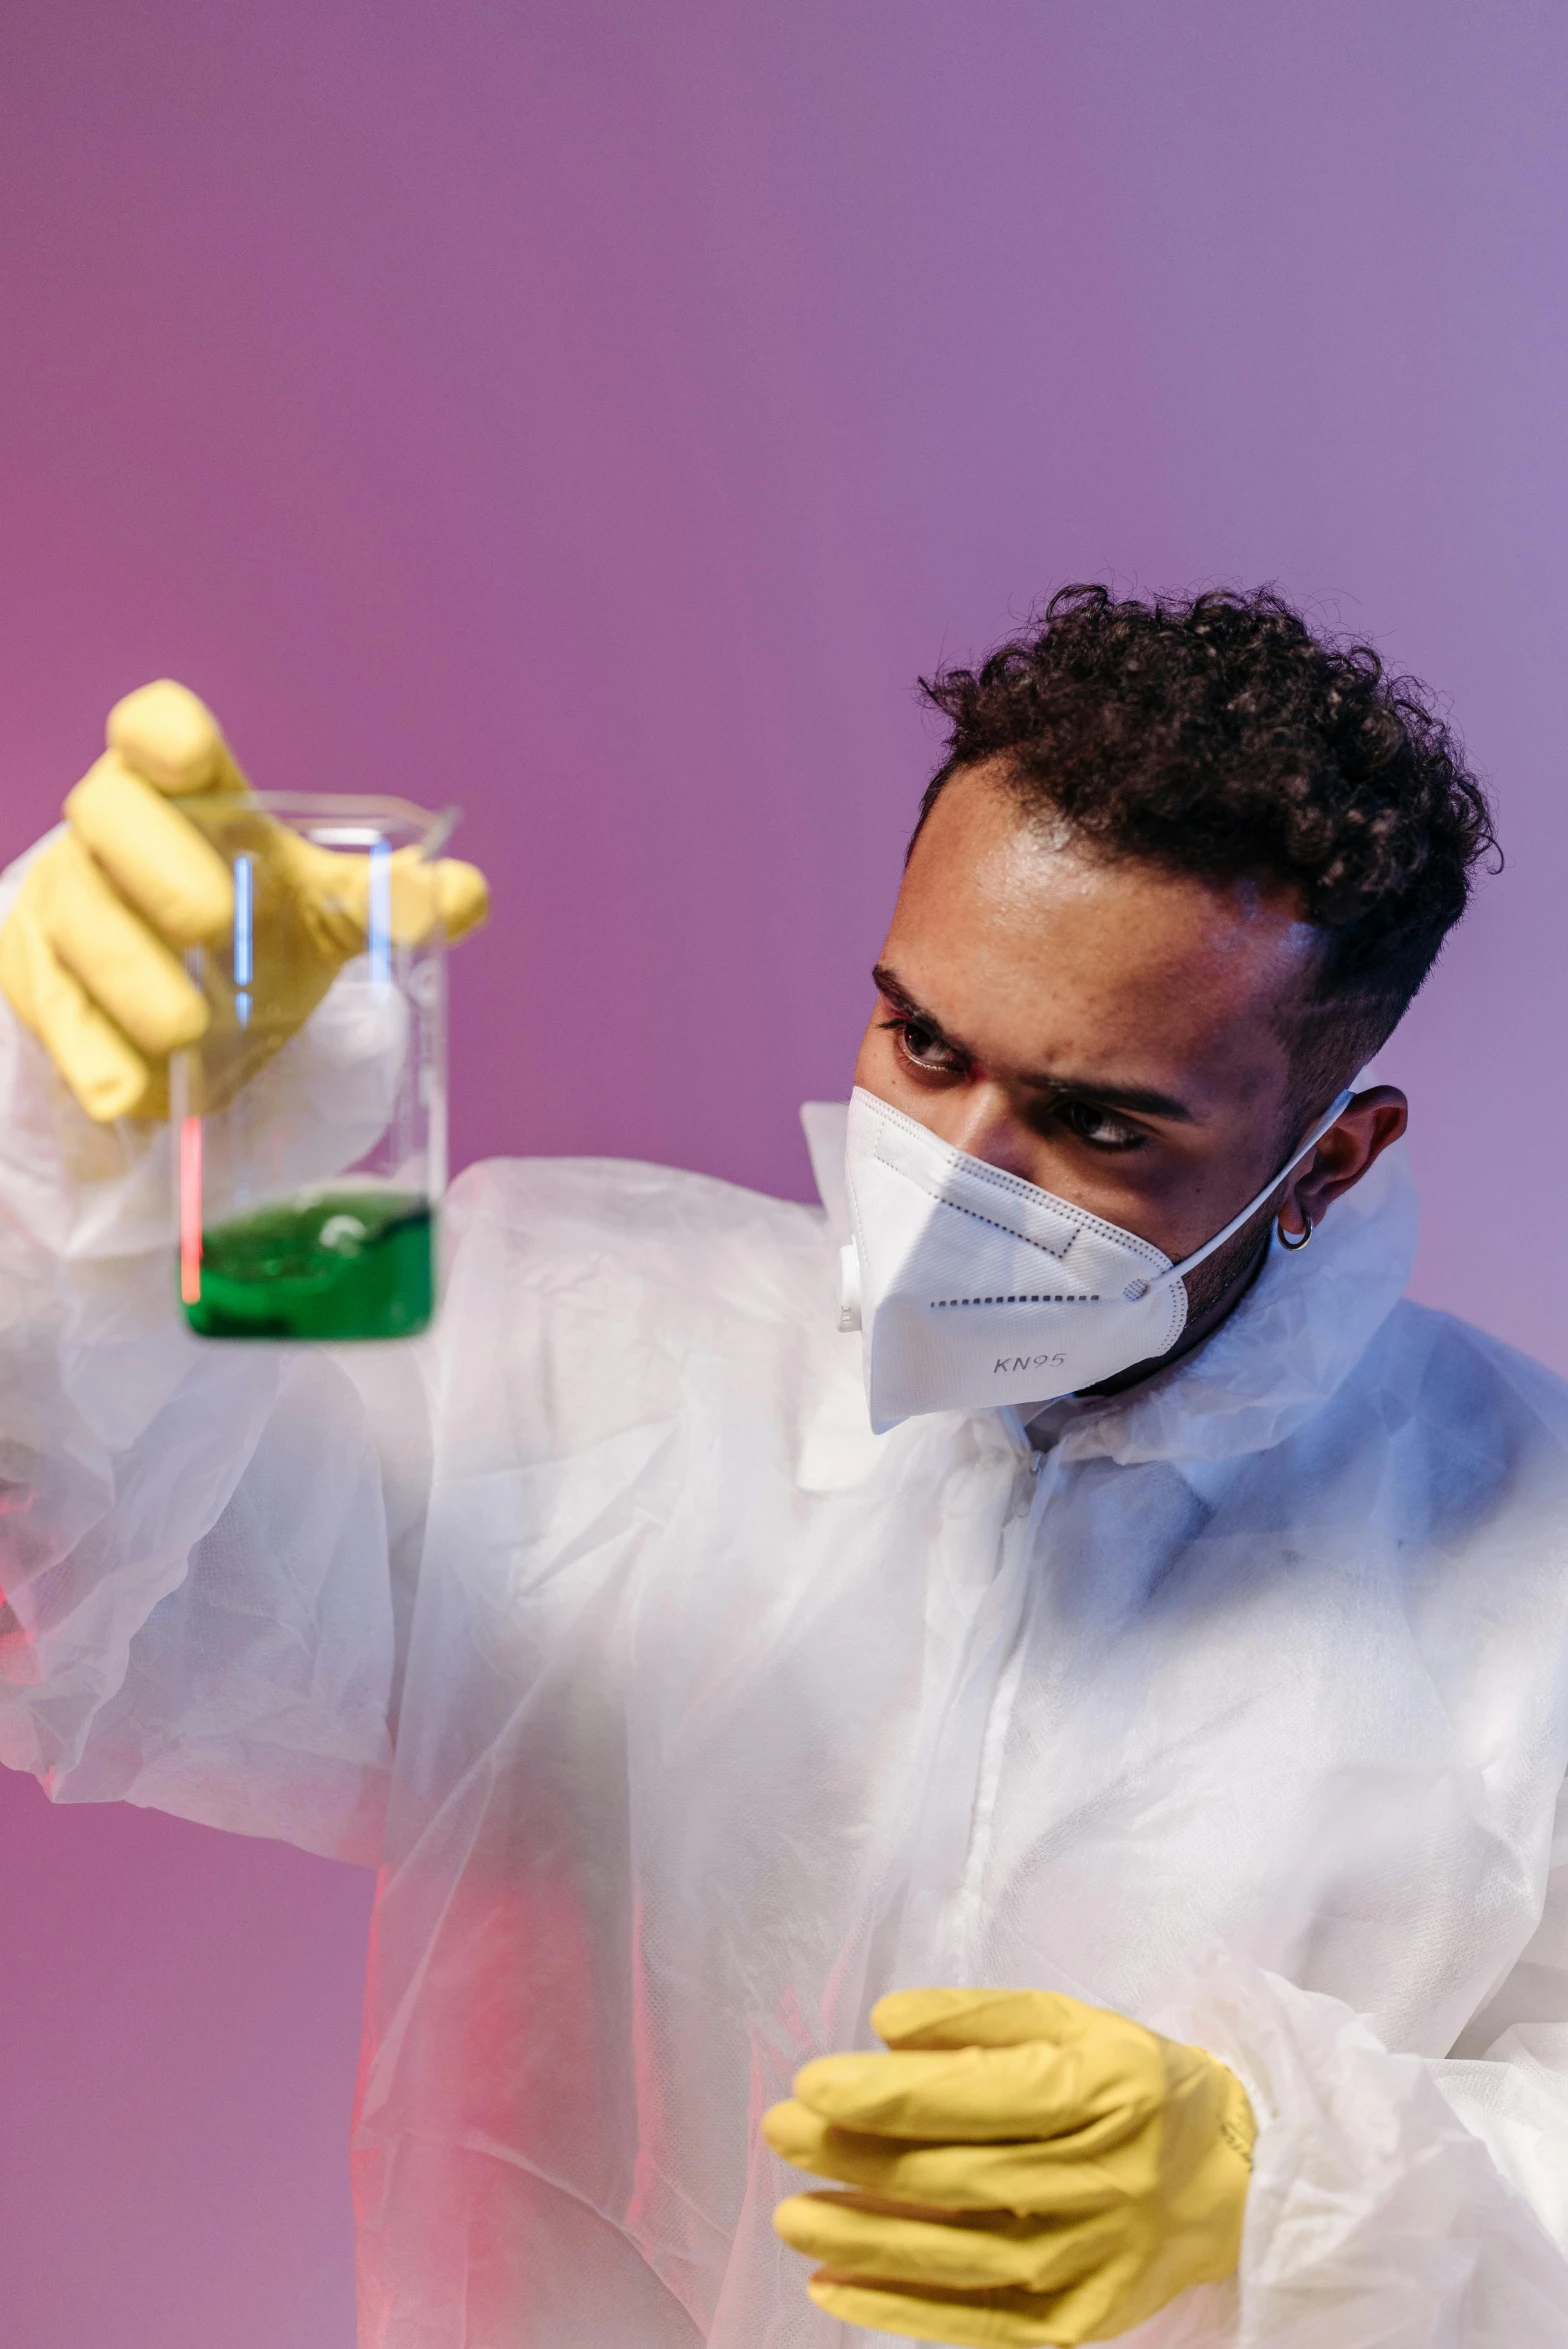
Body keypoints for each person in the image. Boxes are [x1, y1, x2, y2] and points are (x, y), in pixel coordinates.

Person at [0, 584, 1565, 2349]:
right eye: (924, 1044)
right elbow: (80, 1589)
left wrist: (1289, 2184)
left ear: (1331, 1163)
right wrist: (73, 1139)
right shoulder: (570, 1352)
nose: (961, 1173)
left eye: (1100, 1123)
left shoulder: (1534, 1574)